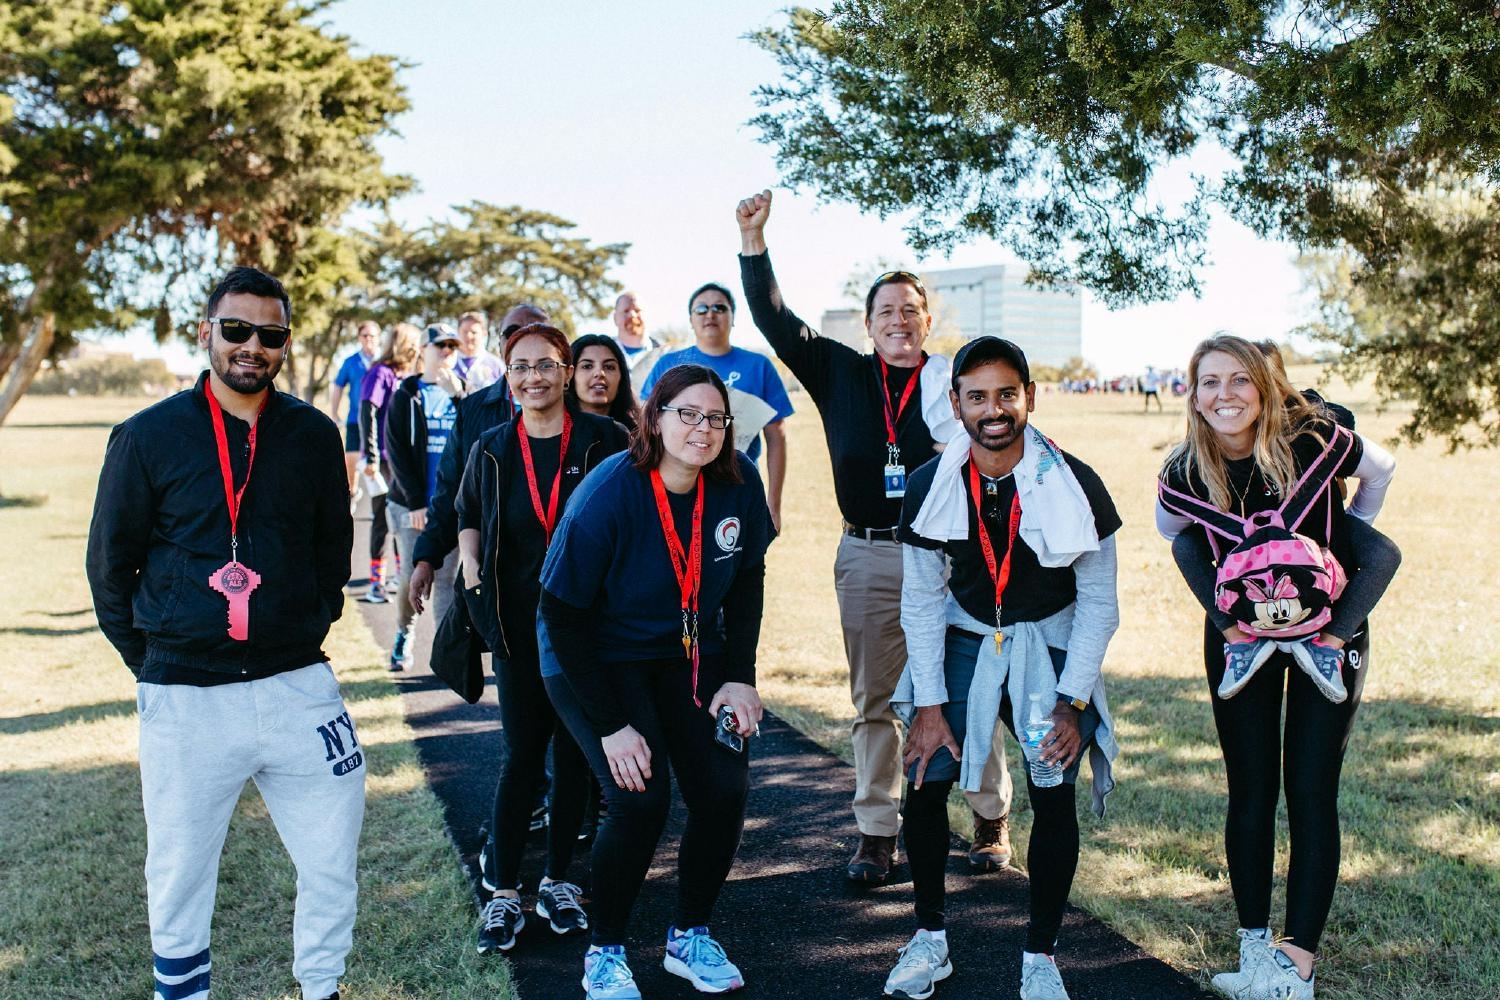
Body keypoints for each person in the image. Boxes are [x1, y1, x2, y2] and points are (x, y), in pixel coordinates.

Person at [86, 266, 361, 1000]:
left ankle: (322, 989)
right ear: (206, 332)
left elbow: (332, 552)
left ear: (283, 343)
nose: (251, 347)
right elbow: (110, 567)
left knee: (333, 859)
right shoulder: (147, 436)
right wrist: (155, 663)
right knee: (178, 870)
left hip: (297, 684)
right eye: (235, 329)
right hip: (186, 695)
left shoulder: (312, 434)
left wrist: (301, 625)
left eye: (269, 335)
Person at [735, 187, 1014, 883]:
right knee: (874, 702)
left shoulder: (954, 383)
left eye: (910, 311)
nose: (898, 320)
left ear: (926, 321)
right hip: (867, 554)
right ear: (867, 324)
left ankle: (988, 816)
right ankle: (875, 830)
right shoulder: (840, 372)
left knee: (966, 686)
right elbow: (773, 319)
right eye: (885, 310)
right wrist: (753, 240)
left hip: (950, 559)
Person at [1155, 334, 1399, 1000]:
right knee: (1250, 788)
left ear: (1263, 385)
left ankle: (1298, 965)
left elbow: (1383, 468)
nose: (1225, 395)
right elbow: (1171, 534)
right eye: (1210, 382)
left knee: (1311, 789)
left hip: (1330, 631)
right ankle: (1255, 949)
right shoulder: (1184, 470)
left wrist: (1345, 538)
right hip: (1242, 636)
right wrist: (1226, 616)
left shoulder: (1313, 438)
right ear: (1193, 393)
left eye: (1240, 380)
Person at [884, 337, 1121, 1000]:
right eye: (978, 396)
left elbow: (1100, 601)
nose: (994, 409)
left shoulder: (1076, 482)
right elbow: (922, 600)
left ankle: (1040, 957)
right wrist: (929, 706)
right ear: (956, 404)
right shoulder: (932, 486)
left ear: (1029, 398)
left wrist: (1073, 702)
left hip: (1045, 645)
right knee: (925, 774)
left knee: (1052, 783)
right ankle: (930, 939)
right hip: (963, 637)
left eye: (1006, 394)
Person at [538, 365, 773, 999]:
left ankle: (688, 936)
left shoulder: (738, 482)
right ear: (655, 418)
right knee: (639, 796)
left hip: (688, 651)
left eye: (715, 418)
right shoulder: (610, 494)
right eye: (686, 414)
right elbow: (561, 614)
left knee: (723, 788)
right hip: (594, 655)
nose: (702, 428)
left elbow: (746, 579)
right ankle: (605, 952)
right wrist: (613, 727)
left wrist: (740, 678)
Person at [456, 323, 631, 955]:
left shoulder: (606, 439)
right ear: (509, 378)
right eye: (521, 367)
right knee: (522, 757)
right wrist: (471, 568)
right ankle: (504, 890)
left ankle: (558, 881)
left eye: (547, 365)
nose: (534, 377)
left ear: (566, 372)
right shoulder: (491, 447)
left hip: (586, 629)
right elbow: (468, 514)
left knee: (578, 757)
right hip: (515, 624)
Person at [408, 302, 550, 617]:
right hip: (499, 572)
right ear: (499, 345)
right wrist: (426, 558)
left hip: (562, 573)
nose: (524, 338)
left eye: (537, 329)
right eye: (512, 332)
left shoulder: (579, 415)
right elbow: (451, 491)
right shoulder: (474, 411)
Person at [640, 282, 793, 532]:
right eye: (701, 309)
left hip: (736, 484)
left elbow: (777, 436)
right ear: (691, 319)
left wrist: (773, 503)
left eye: (719, 307)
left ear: (733, 318)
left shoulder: (759, 366)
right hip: (675, 487)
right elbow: (647, 422)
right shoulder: (669, 364)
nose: (710, 314)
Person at [382, 324, 465, 671]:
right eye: (440, 345)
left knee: (446, 581)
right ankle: (404, 633)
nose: (447, 351)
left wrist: (460, 397)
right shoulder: (407, 394)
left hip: (451, 508)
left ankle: (445, 655)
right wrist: (416, 501)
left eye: (452, 345)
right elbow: (396, 450)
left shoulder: (465, 394)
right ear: (423, 351)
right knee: (409, 578)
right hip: (411, 506)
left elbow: (476, 440)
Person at [357, 323, 421, 603]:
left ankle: (397, 575)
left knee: (400, 517)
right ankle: (375, 584)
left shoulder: (407, 376)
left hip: (401, 460)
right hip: (381, 460)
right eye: (415, 343)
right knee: (382, 520)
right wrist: (370, 456)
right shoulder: (380, 373)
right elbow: (367, 413)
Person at [329, 320, 380, 490]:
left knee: (382, 463)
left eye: (372, 335)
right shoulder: (350, 361)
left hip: (380, 421)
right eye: (365, 335)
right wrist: (334, 413)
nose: (368, 339)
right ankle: (352, 494)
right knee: (351, 459)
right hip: (355, 419)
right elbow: (338, 387)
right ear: (359, 337)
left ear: (378, 337)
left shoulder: (383, 362)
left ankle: (381, 504)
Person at [570, 332, 639, 430]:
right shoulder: (550, 434)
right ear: (569, 375)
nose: (599, 373)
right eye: (587, 366)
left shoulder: (638, 438)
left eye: (609, 367)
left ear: (621, 377)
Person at [612, 290, 661, 375]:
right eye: (626, 311)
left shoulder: (663, 357)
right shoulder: (601, 355)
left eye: (637, 310)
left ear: (648, 315)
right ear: (615, 317)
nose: (632, 315)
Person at [455, 311, 505, 391]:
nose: (469, 336)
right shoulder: (448, 362)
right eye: (465, 332)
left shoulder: (496, 365)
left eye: (474, 332)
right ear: (458, 331)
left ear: (484, 333)